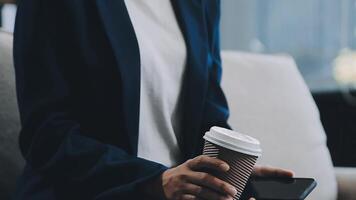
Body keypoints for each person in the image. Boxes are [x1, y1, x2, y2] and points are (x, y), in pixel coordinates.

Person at [13, 0, 293, 199]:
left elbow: (208, 117)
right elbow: (47, 136)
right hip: (94, 190)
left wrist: (228, 174)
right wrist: (155, 181)